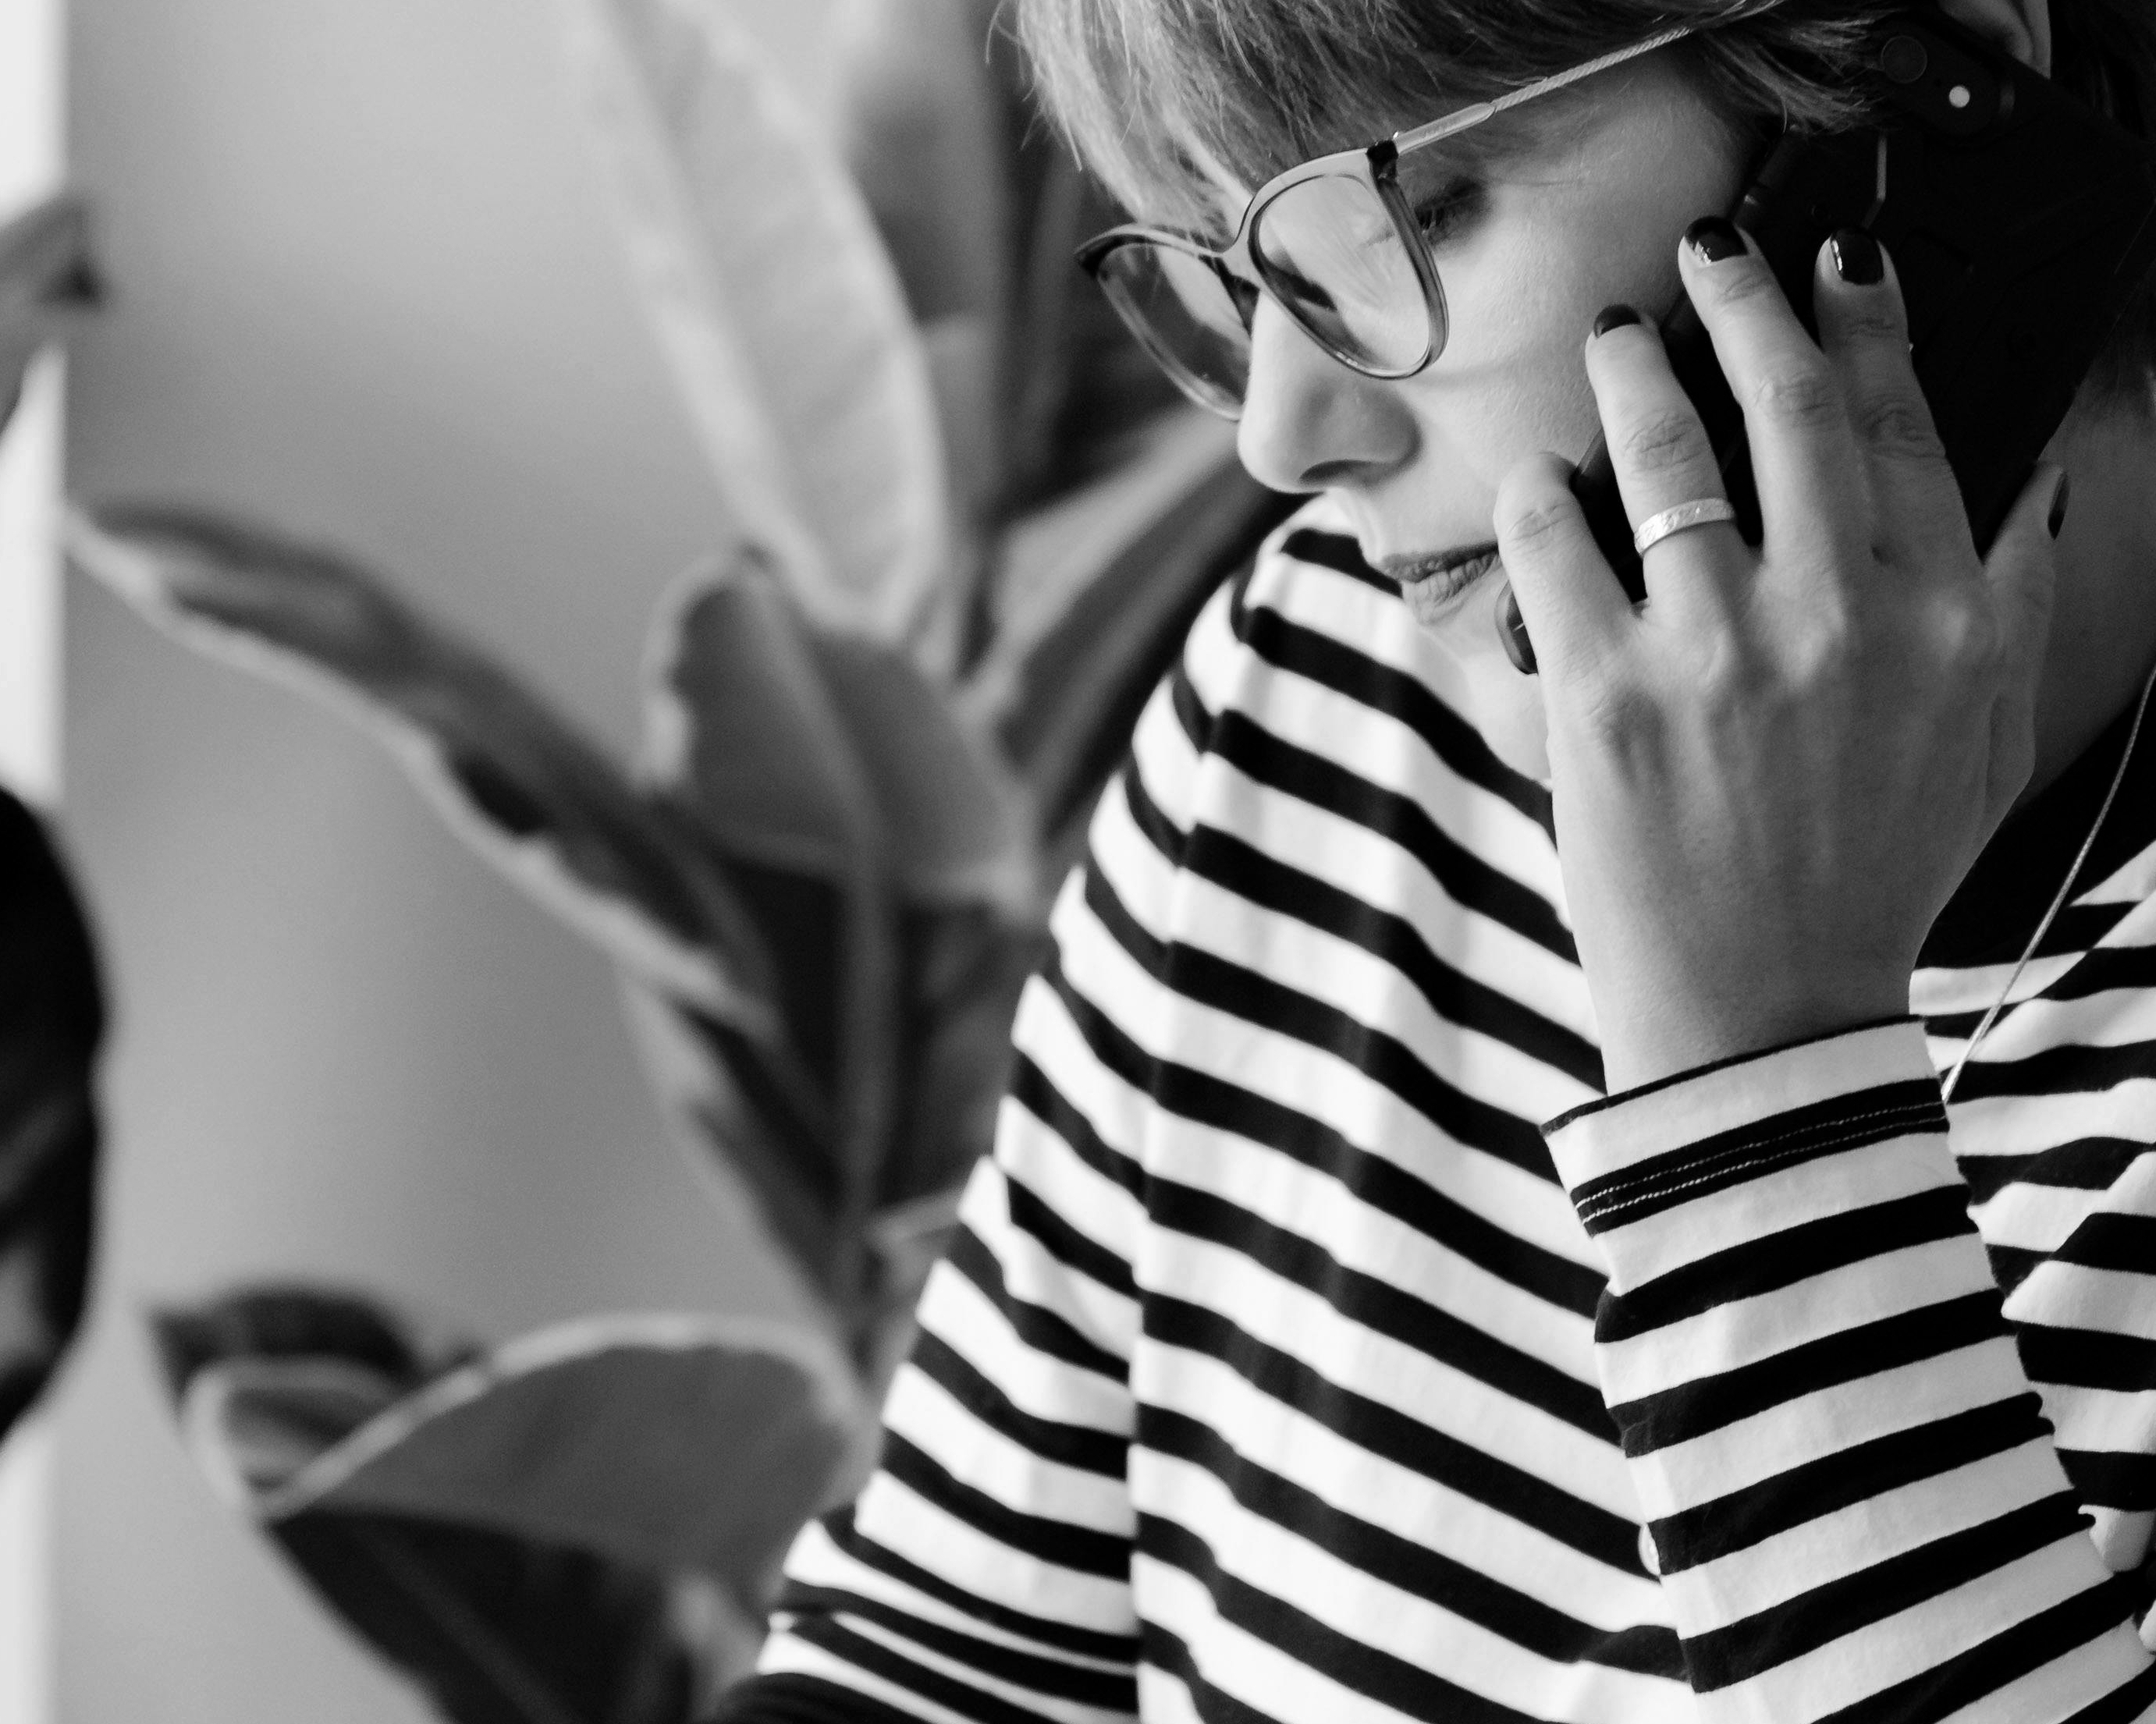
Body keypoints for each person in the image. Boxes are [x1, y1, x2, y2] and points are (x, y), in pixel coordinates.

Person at [716, 0, 2156, 1717]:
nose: (1281, 431)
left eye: (1410, 213)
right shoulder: (1320, 685)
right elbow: (925, 1659)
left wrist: (1756, 1059)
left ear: (1919, 82)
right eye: (1238, 271)